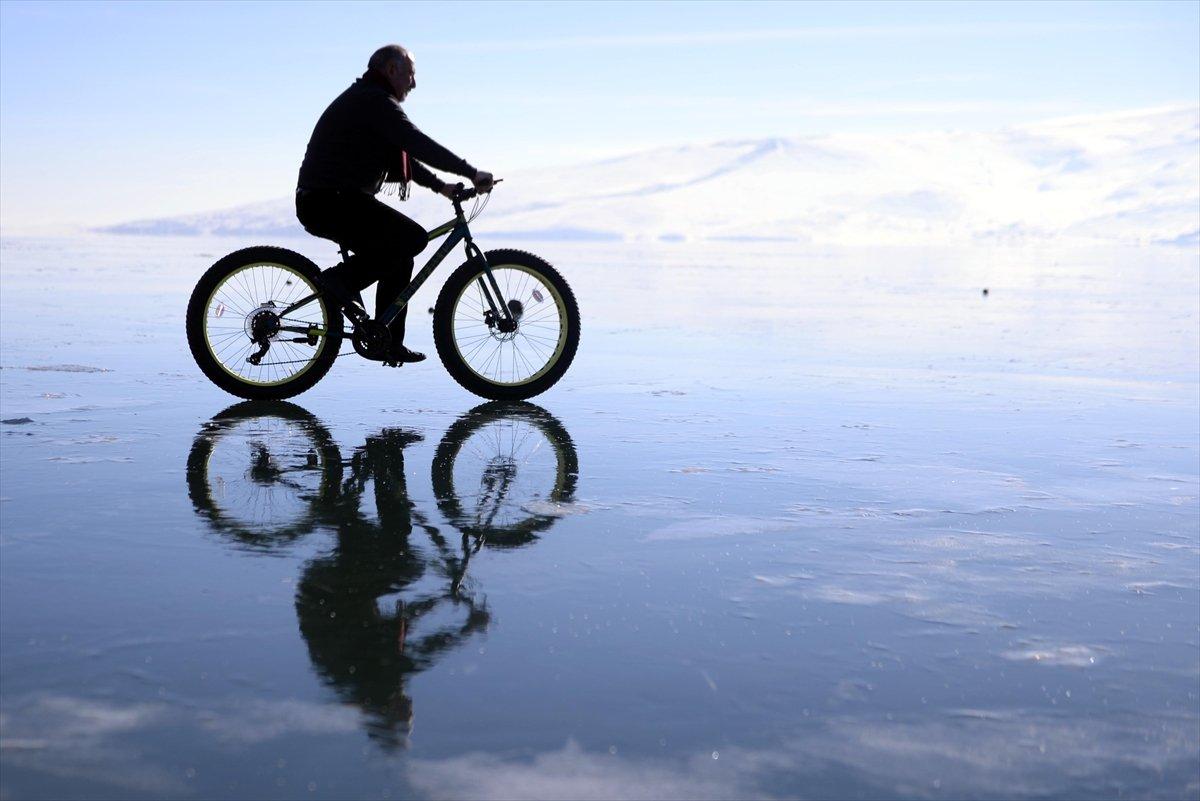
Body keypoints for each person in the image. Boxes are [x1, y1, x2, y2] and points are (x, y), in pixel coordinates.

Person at [295, 44, 493, 365]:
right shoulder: (374, 101)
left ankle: (387, 341)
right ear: (391, 70)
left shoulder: (369, 100)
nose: (413, 85)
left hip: (330, 200)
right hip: (330, 201)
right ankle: (339, 281)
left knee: (400, 255)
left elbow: (401, 157)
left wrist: (441, 186)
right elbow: (415, 142)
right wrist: (470, 172)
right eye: (411, 75)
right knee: (412, 239)